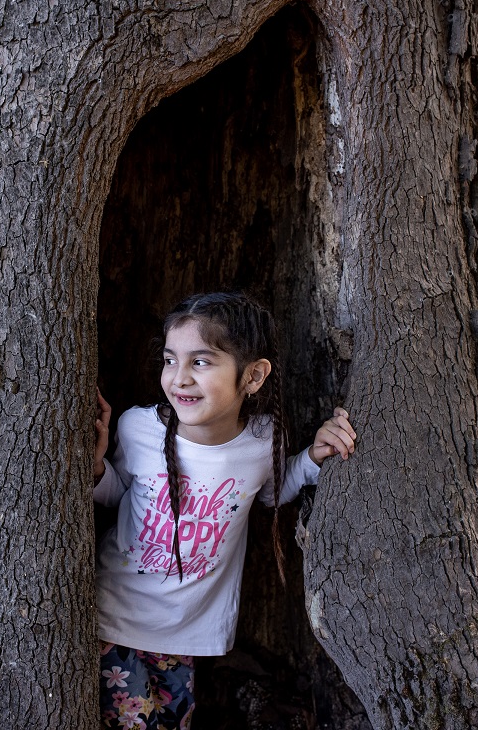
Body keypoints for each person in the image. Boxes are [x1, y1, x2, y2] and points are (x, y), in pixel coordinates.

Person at [91, 292, 357, 729]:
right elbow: (121, 497)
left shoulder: (260, 440)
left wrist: (312, 457)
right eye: (170, 359)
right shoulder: (138, 427)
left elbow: (271, 492)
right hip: (114, 619)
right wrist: (97, 468)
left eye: (200, 362)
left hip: (186, 634)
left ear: (253, 376)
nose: (179, 378)